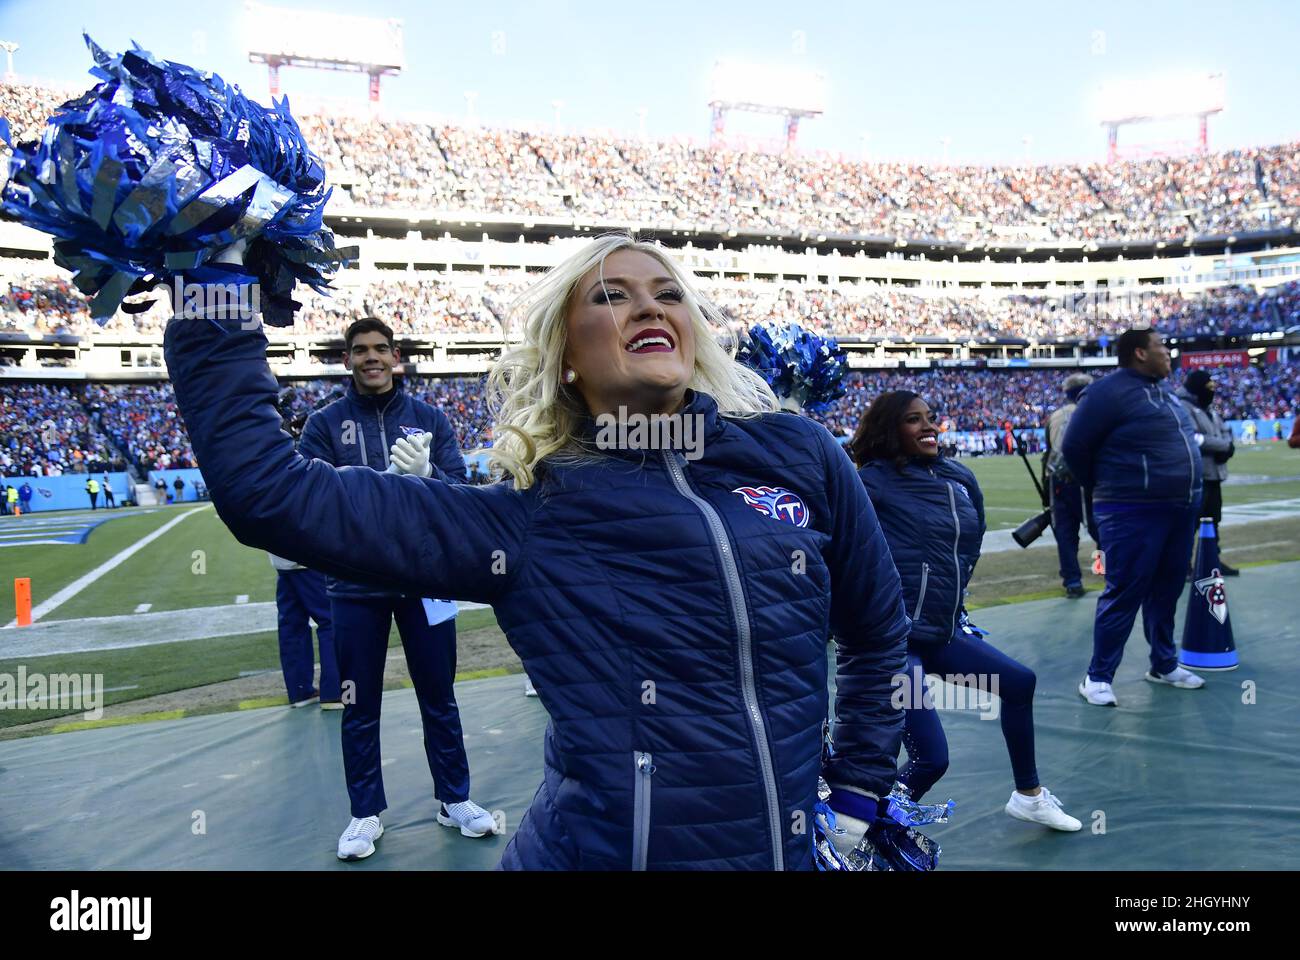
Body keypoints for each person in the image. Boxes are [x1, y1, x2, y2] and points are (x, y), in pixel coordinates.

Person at [164, 232, 911, 871]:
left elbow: (877, 634)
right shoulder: (532, 514)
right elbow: (271, 495)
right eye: (612, 297)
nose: (650, 306)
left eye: (668, 294)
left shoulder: (798, 451)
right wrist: (214, 290)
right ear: (566, 361)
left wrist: (856, 791)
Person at [297, 316, 497, 861]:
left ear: (396, 356)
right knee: (358, 702)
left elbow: (463, 494)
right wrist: (373, 492)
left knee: (440, 695)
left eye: (381, 349)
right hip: (356, 585)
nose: (371, 358)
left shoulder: (429, 418)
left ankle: (454, 798)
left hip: (425, 581)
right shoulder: (323, 424)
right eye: (360, 350)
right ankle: (364, 813)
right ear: (347, 360)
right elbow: (312, 507)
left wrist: (430, 475)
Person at [848, 391, 1080, 832]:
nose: (929, 426)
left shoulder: (958, 477)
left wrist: (952, 606)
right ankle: (860, 834)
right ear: (889, 430)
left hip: (943, 632)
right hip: (894, 645)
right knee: (931, 759)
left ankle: (1028, 797)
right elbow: (837, 546)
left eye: (931, 418)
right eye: (914, 420)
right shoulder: (869, 482)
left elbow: (967, 547)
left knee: (1018, 683)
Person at [1062, 329, 1206, 707]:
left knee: (1168, 588)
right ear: (1140, 353)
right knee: (1125, 590)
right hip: (1130, 510)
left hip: (1178, 508)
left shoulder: (1164, 392)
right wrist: (1106, 487)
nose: (1169, 353)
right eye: (1163, 346)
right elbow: (1074, 447)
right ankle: (1098, 676)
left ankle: (1163, 663)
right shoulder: (1107, 391)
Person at [1176, 370, 1238, 576]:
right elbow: (1193, 437)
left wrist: (1226, 447)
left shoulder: (1209, 409)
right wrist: (1223, 447)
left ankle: (1213, 561)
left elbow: (1225, 431)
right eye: (1208, 388)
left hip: (1214, 475)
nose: (1211, 392)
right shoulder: (1184, 407)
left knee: (1213, 520)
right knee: (1191, 524)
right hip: (1196, 476)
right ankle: (1184, 566)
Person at [1044, 373, 1100, 598]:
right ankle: (1109, 569)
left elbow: (1048, 451)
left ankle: (1072, 580)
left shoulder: (1055, 416)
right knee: (1099, 528)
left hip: (1057, 481)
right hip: (1084, 481)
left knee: (1066, 534)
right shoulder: (1091, 413)